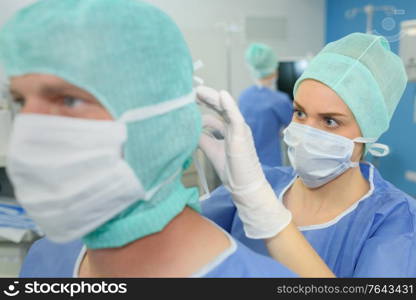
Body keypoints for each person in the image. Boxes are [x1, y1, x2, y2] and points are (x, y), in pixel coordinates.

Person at [0, 0, 308, 278]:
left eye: (69, 100)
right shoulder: (46, 257)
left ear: (157, 119)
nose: (31, 130)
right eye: (19, 101)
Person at [200, 33, 416, 277]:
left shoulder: (397, 221)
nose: (305, 133)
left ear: (369, 131)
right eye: (300, 113)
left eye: (330, 121)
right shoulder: (263, 184)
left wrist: (268, 218)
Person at [239, 43, 293, 167]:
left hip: (246, 163)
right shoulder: (279, 100)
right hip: (270, 163)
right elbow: (295, 128)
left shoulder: (243, 96)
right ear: (274, 70)